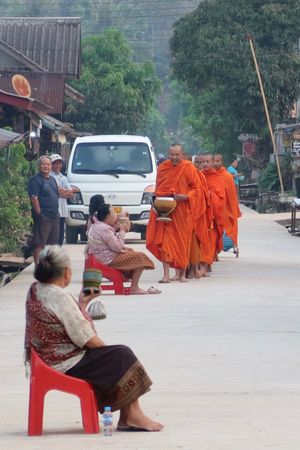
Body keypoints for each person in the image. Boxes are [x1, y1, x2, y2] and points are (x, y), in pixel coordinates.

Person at [24, 245, 163, 431]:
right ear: (66, 272)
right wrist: (108, 353)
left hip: (44, 359)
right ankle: (132, 415)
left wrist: (82, 303)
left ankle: (129, 415)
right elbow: (87, 338)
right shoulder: (59, 296)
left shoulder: (36, 289)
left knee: (116, 356)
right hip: (63, 362)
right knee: (122, 355)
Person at [146, 144, 201, 283]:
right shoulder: (163, 168)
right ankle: (165, 275)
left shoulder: (188, 167)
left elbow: (196, 188)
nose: (174, 157)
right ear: (168, 154)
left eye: (177, 155)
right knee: (165, 242)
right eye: (172, 154)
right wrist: (163, 197)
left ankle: (181, 274)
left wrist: (186, 196)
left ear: (182, 154)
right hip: (166, 211)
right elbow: (158, 189)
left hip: (182, 211)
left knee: (182, 242)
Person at [87, 204, 160, 294]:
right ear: (107, 217)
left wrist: (120, 226)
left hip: (100, 257)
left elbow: (111, 240)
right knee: (140, 256)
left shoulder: (98, 225)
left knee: (130, 251)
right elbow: (118, 247)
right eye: (113, 214)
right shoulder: (104, 229)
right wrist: (122, 231)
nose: (116, 216)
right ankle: (134, 287)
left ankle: (129, 281)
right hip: (106, 259)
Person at [28, 155, 60, 264]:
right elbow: (34, 198)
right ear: (39, 166)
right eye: (43, 164)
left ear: (51, 166)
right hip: (43, 216)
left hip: (54, 216)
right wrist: (40, 214)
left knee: (52, 243)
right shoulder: (36, 180)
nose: (46, 166)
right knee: (39, 242)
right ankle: (38, 267)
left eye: (48, 164)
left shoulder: (52, 179)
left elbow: (56, 195)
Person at [214, 154, 241, 253]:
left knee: (229, 227)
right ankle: (215, 252)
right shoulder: (210, 175)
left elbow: (231, 195)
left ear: (222, 162)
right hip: (214, 208)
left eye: (218, 161)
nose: (216, 163)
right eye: (214, 161)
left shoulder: (227, 176)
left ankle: (233, 245)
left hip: (226, 208)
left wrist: (233, 208)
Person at [202, 154, 226, 263]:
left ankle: (207, 263)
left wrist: (210, 196)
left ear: (212, 163)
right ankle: (203, 263)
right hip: (201, 214)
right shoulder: (199, 176)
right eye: (204, 162)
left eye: (208, 162)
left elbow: (221, 198)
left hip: (213, 216)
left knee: (211, 239)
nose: (205, 164)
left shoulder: (217, 178)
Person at [50, 154, 77, 246]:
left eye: (59, 163)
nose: (57, 166)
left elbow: (71, 194)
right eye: (55, 163)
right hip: (53, 211)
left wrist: (62, 192)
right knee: (53, 236)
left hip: (62, 211)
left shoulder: (63, 178)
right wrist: (63, 191)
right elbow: (56, 192)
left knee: (60, 236)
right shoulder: (49, 177)